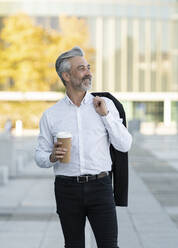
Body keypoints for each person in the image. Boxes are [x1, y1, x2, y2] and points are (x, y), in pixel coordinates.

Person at [35, 46, 132, 248]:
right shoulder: (51, 115)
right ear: (66, 76)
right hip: (66, 189)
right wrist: (52, 157)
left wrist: (105, 116)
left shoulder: (105, 105)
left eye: (88, 67)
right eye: (81, 68)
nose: (88, 72)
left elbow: (124, 145)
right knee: (73, 245)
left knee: (109, 245)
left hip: (100, 186)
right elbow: (40, 155)